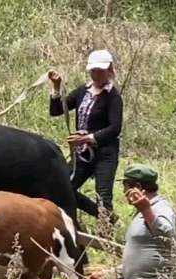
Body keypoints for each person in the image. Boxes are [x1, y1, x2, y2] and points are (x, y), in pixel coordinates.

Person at [48, 49, 122, 223]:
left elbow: (115, 128)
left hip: (105, 153)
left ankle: (106, 231)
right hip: (82, 153)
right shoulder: (83, 90)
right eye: (93, 70)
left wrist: (88, 138)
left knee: (103, 196)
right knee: (62, 186)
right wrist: (57, 87)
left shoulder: (113, 96)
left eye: (100, 70)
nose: (96, 74)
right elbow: (57, 110)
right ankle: (102, 216)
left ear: (109, 70)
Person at [119, 164, 176, 279]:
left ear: (138, 187)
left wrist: (146, 210)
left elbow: (169, 235)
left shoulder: (161, 208)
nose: (123, 193)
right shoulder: (142, 212)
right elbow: (141, 253)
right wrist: (114, 273)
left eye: (125, 187)